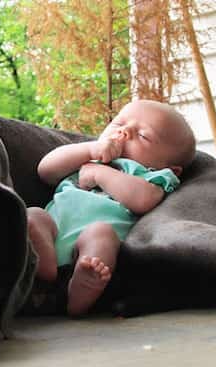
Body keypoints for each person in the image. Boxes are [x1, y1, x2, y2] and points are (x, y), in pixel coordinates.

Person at [27, 99, 196, 316]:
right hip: (52, 235)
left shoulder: (150, 175)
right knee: (34, 215)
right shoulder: (88, 156)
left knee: (100, 232)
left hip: (90, 259)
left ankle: (81, 290)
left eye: (143, 136)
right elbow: (45, 170)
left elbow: (143, 199)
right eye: (119, 123)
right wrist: (90, 150)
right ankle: (43, 264)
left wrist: (100, 174)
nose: (124, 132)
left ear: (170, 168)